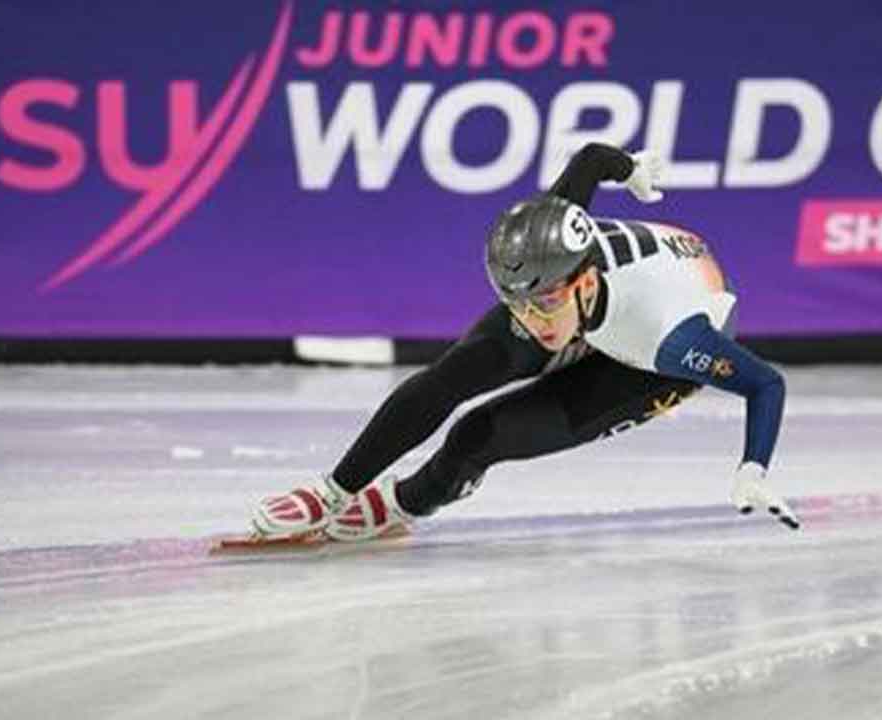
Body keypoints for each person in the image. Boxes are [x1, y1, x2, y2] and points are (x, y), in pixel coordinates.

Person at [253, 143, 799, 542]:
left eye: (540, 303)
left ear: (582, 284)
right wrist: (631, 168)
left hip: (650, 350)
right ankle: (334, 492)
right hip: (595, 302)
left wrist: (754, 468)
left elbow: (765, 383)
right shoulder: (551, 243)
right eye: (516, 301)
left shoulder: (673, 341)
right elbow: (590, 160)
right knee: (454, 375)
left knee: (477, 437)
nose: (529, 317)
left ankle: (406, 502)